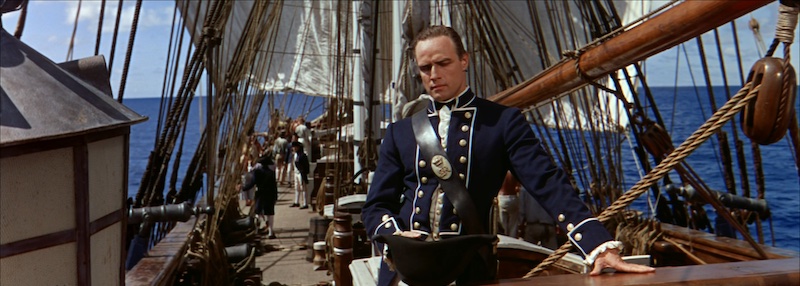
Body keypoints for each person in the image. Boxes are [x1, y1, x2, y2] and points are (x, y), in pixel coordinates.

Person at [362, 25, 654, 285]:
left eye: (443, 63)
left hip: (467, 270)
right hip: (406, 271)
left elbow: (547, 182)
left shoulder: (502, 122)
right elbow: (376, 206)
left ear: (464, 61)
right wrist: (395, 238)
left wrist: (597, 245)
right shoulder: (400, 132)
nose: (434, 75)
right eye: (425, 68)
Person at [241, 155, 279, 239]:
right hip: (270, 194)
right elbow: (274, 186)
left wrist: (243, 188)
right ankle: (270, 232)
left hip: (260, 194)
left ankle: (257, 230)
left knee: (258, 212)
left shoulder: (257, 172)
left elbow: (252, 183)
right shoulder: (271, 172)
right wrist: (276, 196)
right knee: (270, 213)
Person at [497, 172, 521, 238]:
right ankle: (512, 239)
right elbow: (518, 187)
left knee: (502, 223)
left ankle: (503, 238)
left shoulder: (501, 172)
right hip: (512, 197)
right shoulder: (513, 172)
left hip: (502, 197)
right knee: (513, 224)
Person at [291, 141, 310, 209]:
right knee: (297, 188)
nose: (293, 148)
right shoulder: (295, 155)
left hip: (301, 173)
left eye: (295, 147)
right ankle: (296, 202)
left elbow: (306, 166)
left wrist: (305, 173)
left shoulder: (303, 155)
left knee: (304, 188)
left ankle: (305, 203)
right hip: (296, 173)